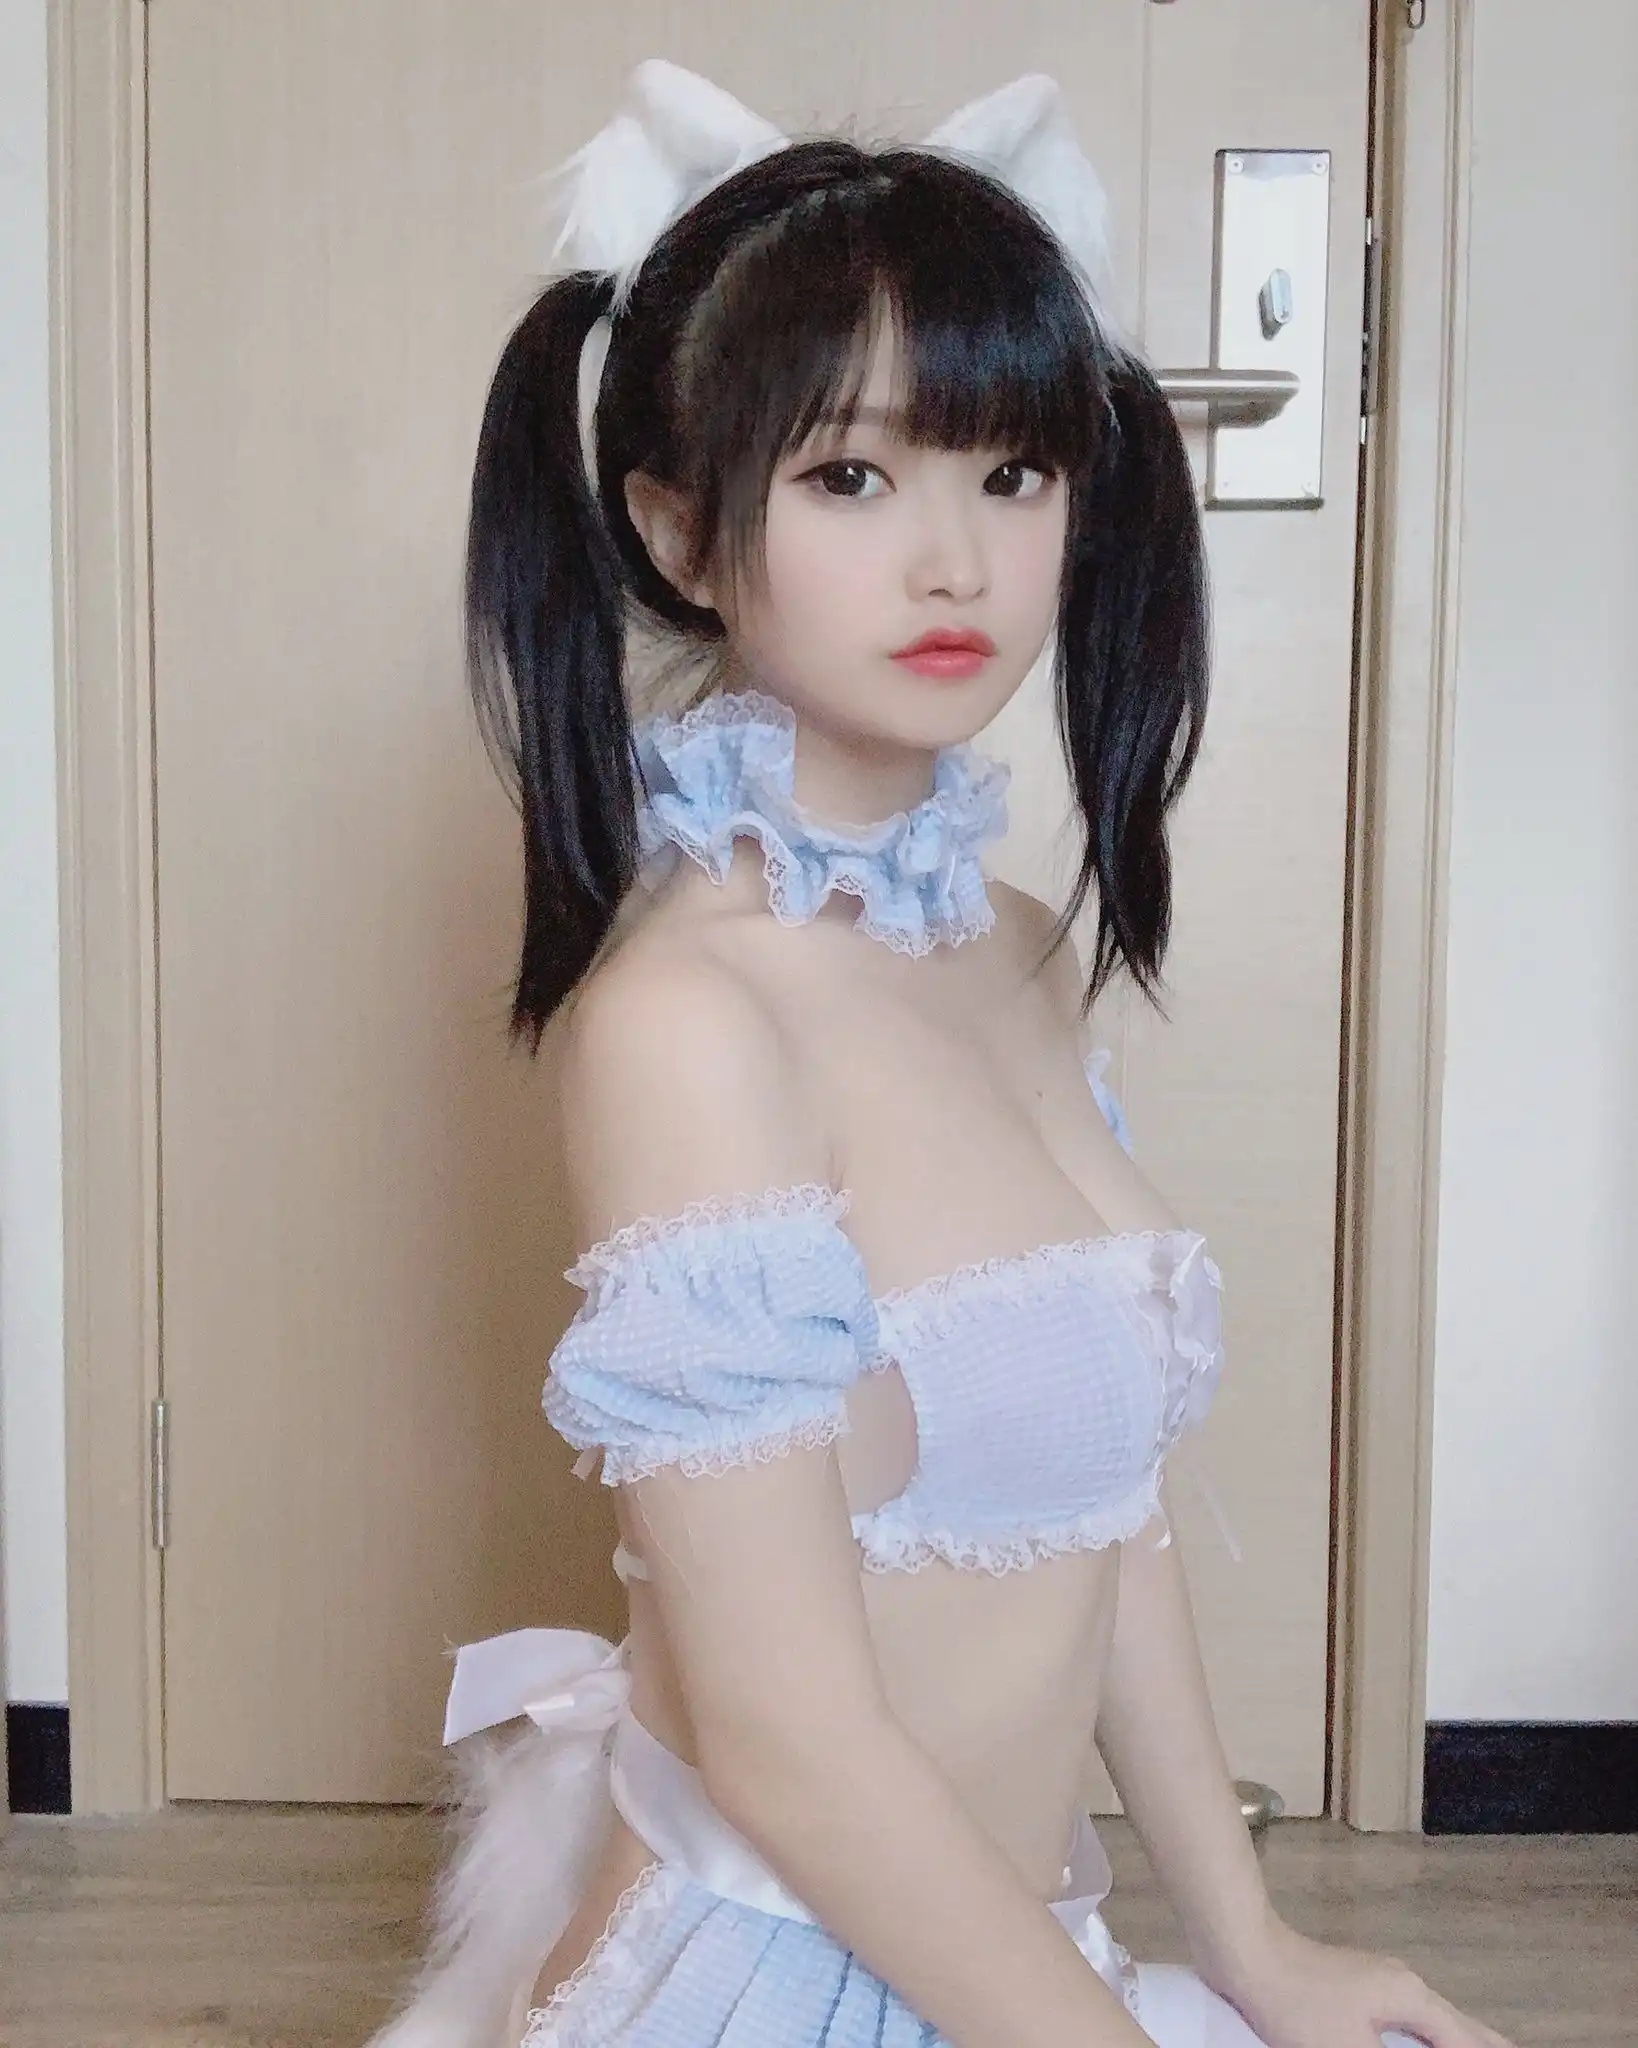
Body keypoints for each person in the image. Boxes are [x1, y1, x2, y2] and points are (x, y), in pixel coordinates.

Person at [370, 61, 1514, 2048]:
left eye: (1011, 474)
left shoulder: (1008, 946)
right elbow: (791, 1747)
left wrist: (1251, 1945)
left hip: (1021, 1955)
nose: (956, 564)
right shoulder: (688, 1024)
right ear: (680, 529)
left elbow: (1096, 1504)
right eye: (849, 478)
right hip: (776, 1976)